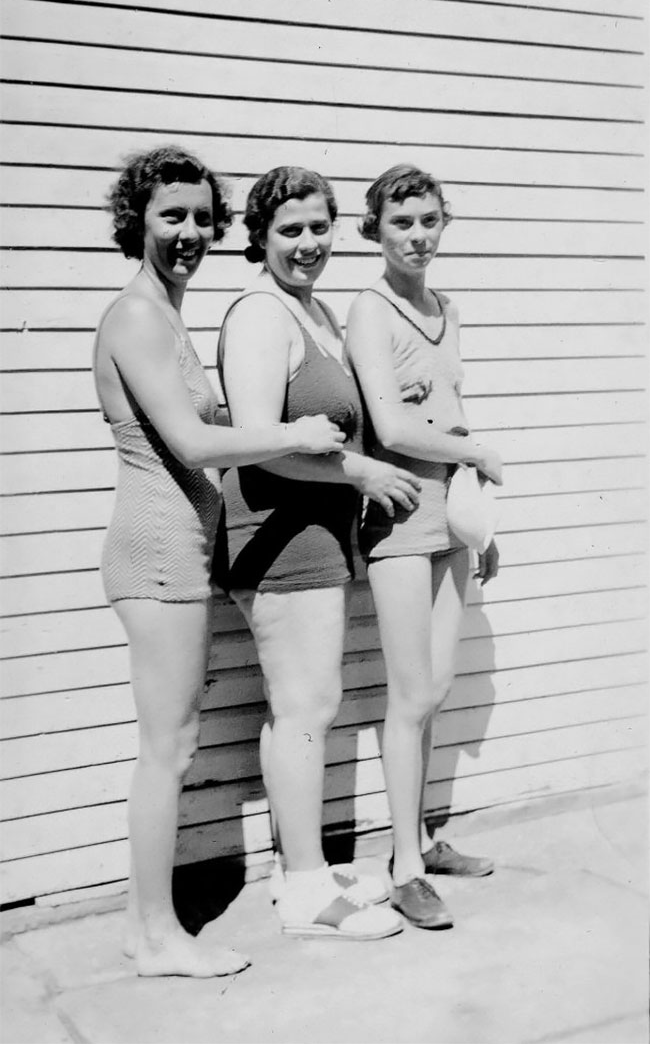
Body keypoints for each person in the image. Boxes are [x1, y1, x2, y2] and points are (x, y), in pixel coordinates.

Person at [93, 146, 345, 977]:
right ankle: (158, 935)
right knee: (169, 746)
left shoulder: (166, 313)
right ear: (138, 221)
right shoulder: (135, 315)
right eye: (173, 215)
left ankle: (141, 928)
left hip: (181, 554)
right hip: (157, 554)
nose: (191, 231)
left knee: (173, 740)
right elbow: (195, 440)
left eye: (203, 215)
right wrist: (294, 433)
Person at [217, 165, 421, 940]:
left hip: (317, 538)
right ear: (259, 238)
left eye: (318, 228)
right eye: (289, 231)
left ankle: (299, 861)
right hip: (279, 540)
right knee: (305, 707)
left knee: (305, 706)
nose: (308, 244)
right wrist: (361, 469)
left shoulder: (313, 311)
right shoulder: (261, 315)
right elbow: (260, 444)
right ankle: (303, 887)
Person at [346, 164, 503, 930]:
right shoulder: (369, 309)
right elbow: (393, 426)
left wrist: (482, 522)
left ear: (445, 224)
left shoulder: (449, 308)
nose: (417, 235)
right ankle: (405, 864)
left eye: (429, 220)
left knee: (435, 686)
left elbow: (450, 409)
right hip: (402, 513)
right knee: (410, 693)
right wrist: (474, 455)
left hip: (452, 515)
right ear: (374, 229)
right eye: (401, 221)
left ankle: (426, 837)